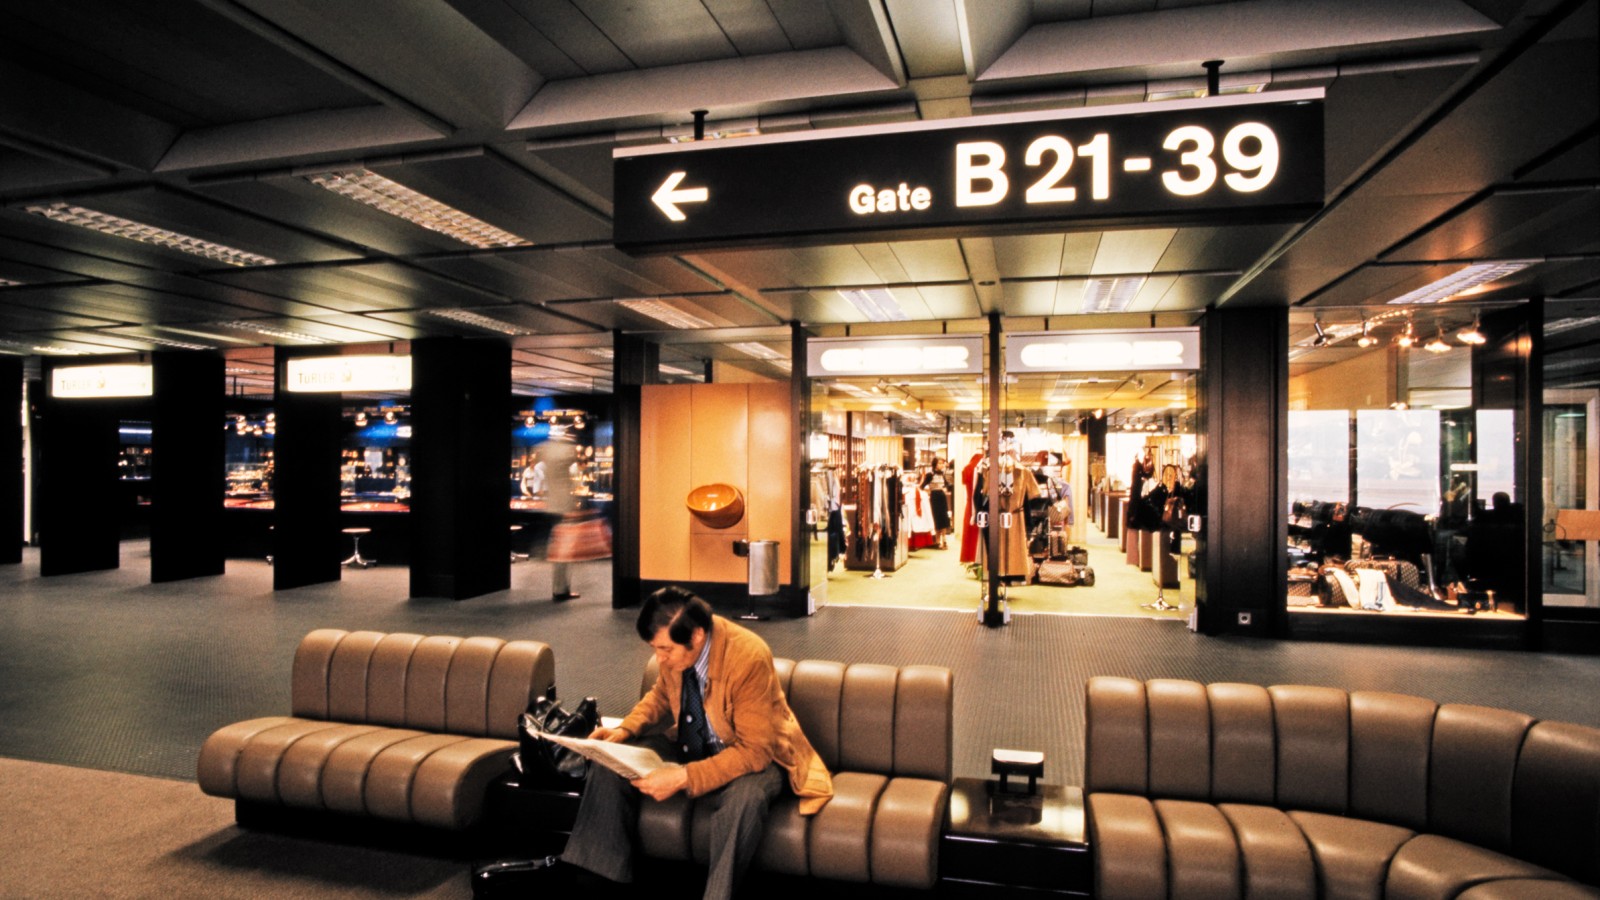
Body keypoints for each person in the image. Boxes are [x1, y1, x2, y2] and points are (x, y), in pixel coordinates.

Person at [530, 587, 833, 899]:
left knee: (746, 799)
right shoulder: (675, 650)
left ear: (697, 635)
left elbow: (755, 752)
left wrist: (683, 777)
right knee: (610, 765)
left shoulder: (748, 656)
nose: (659, 657)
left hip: (754, 754)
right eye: (655, 649)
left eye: (665, 649)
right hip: (691, 743)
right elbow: (662, 695)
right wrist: (624, 730)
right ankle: (598, 881)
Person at [535, 430, 579, 601]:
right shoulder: (567, 450)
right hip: (564, 505)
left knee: (558, 546)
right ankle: (561, 589)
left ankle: (559, 587)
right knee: (564, 548)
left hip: (551, 504)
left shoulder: (544, 448)